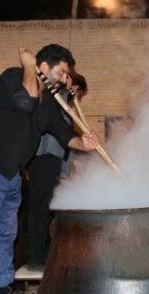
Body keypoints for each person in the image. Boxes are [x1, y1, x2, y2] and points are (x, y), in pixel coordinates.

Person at [0, 44, 97, 294]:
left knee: (6, 233)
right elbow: (25, 102)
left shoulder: (49, 102)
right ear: (43, 67)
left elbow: (61, 132)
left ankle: (2, 284)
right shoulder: (12, 77)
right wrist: (27, 66)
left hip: (11, 174)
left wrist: (84, 144)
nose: (64, 78)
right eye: (60, 71)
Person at [26, 72, 88, 271]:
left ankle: (41, 253)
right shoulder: (55, 97)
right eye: (77, 91)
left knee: (45, 209)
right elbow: (57, 132)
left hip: (52, 158)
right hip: (43, 156)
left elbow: (66, 139)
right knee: (40, 209)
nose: (76, 95)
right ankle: (35, 256)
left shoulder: (64, 101)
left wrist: (64, 171)